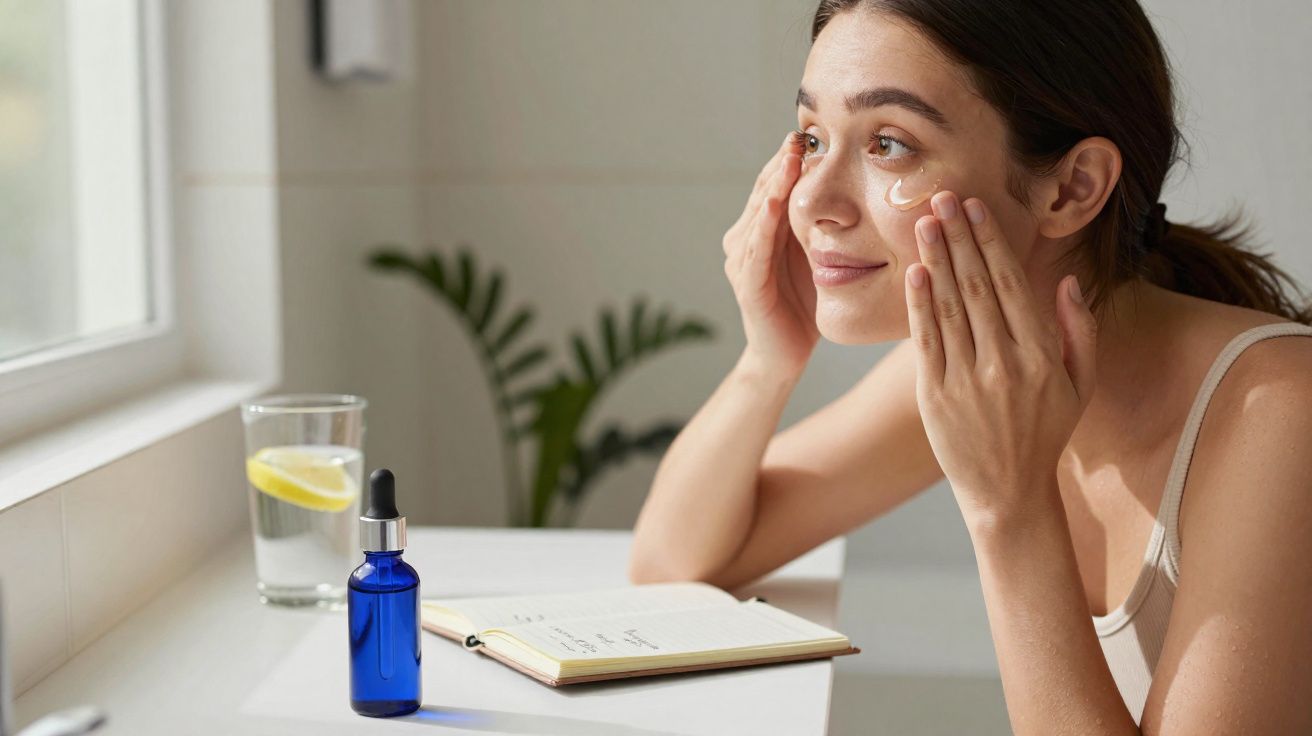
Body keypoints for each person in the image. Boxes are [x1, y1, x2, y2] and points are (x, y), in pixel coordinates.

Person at [628, 1, 1312, 732]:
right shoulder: (989, 370)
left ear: (1073, 187)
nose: (815, 201)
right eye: (812, 137)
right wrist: (769, 360)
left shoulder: (1278, 415)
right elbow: (675, 562)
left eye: (889, 143)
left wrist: (1009, 512)